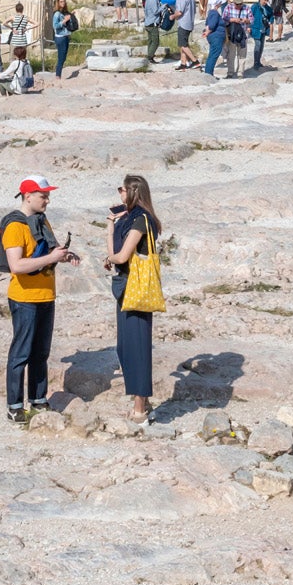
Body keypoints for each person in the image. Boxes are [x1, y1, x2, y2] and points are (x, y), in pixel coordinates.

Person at [1, 178, 78, 422]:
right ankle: (14, 406)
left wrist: (63, 257)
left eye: (47, 195)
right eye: (42, 195)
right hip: (24, 298)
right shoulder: (15, 226)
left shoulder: (42, 221)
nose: (47, 199)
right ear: (27, 196)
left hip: (46, 295)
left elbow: (47, 252)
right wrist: (50, 258)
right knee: (21, 353)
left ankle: (38, 399)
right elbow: (17, 265)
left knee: (40, 352)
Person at [106, 174, 162, 423]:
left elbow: (121, 256)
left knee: (136, 346)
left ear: (133, 191)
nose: (120, 193)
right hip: (126, 286)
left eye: (122, 189)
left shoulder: (141, 220)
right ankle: (141, 399)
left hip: (135, 287)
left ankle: (139, 408)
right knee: (125, 346)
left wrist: (109, 232)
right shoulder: (133, 218)